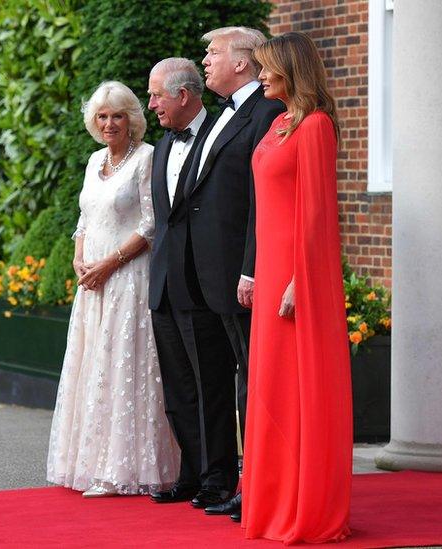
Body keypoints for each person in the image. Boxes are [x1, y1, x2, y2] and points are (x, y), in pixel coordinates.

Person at [242, 32, 352, 544]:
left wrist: (298, 281)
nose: (259, 74)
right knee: (269, 389)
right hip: (269, 273)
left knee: (297, 389)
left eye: (266, 68)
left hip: (295, 277)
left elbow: (315, 214)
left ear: (291, 69)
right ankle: (271, 503)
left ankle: (304, 506)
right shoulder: (279, 122)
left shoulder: (315, 126)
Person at [46, 81, 179, 497]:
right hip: (93, 282)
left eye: (117, 115)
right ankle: (87, 463)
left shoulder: (146, 158)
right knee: (92, 367)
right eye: (102, 116)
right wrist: (79, 256)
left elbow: (152, 223)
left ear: (132, 119)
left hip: (128, 278)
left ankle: (122, 469)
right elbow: (84, 219)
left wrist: (110, 263)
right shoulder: (92, 161)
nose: (109, 123)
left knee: (124, 367)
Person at [183, 26, 286, 519]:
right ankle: (225, 478)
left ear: (242, 62)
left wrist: (251, 269)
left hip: (240, 276)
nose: (205, 60)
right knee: (226, 381)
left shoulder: (266, 111)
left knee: (253, 380)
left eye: (213, 52)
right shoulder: (220, 115)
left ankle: (259, 484)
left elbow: (259, 202)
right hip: (206, 274)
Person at [144, 58, 231, 506]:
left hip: (201, 281)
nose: (151, 103)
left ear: (184, 95)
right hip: (163, 284)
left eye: (157, 94)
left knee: (211, 385)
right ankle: (192, 474)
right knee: (177, 389)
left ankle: (220, 478)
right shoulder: (161, 145)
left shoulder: (219, 135)